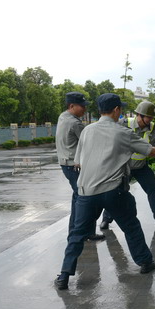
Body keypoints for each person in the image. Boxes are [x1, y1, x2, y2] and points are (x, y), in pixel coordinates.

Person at [54, 93, 155, 290]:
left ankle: (64, 276)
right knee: (131, 226)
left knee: (77, 234)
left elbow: (79, 160)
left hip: (86, 192)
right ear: (116, 110)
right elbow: (150, 150)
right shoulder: (122, 132)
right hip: (112, 191)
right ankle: (145, 262)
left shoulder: (87, 130)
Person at [99, 101, 155, 230]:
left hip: (141, 167)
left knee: (153, 189)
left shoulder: (151, 127)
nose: (150, 120)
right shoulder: (123, 124)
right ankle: (106, 219)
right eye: (148, 117)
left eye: (152, 117)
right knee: (116, 192)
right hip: (124, 167)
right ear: (139, 115)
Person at [55, 92, 105, 242]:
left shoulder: (63, 117)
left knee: (78, 198)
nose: (84, 109)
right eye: (82, 106)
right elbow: (90, 142)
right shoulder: (75, 123)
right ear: (72, 106)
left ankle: (78, 232)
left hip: (66, 164)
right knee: (85, 200)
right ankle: (80, 234)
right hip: (74, 166)